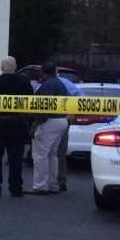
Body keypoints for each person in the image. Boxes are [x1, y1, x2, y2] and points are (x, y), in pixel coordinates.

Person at [0, 57, 33, 197]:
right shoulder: (24, 82)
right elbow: (31, 102)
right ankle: (16, 188)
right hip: (17, 125)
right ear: (15, 67)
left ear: (2, 67)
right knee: (15, 158)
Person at [26, 62, 69, 194]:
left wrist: (35, 125)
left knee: (40, 155)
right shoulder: (60, 84)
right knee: (52, 154)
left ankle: (40, 186)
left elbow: (43, 108)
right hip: (61, 120)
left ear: (42, 72)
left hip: (49, 121)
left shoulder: (47, 85)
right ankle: (53, 184)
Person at [56, 73, 82, 192]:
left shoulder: (62, 83)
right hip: (61, 120)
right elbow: (80, 96)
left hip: (55, 120)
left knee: (49, 153)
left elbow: (80, 96)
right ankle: (60, 180)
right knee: (60, 152)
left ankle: (53, 181)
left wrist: (70, 114)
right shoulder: (66, 83)